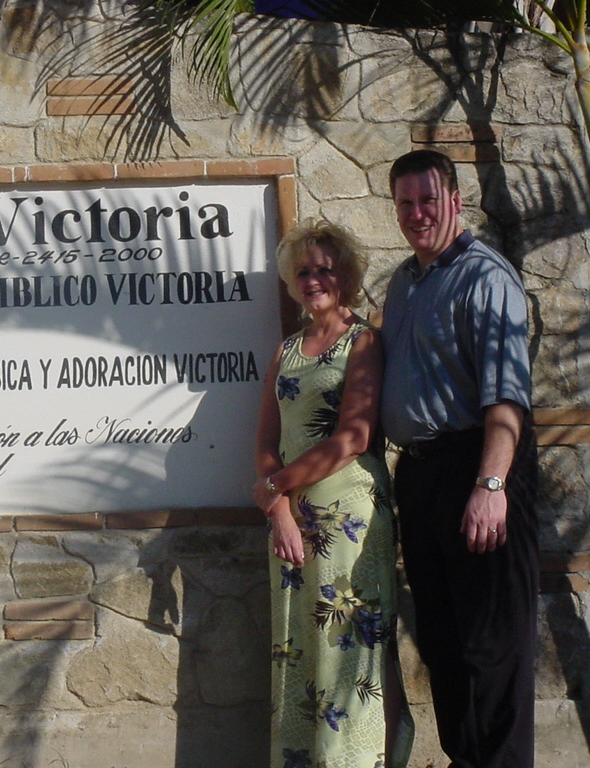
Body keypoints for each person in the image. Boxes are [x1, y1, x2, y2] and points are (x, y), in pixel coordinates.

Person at [380, 149, 538, 768]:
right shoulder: (404, 283)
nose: (417, 214)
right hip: (421, 476)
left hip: (480, 467)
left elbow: (507, 395)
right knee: (443, 642)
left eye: (428, 200)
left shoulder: (485, 277)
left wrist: (491, 483)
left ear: (455, 200)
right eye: (405, 203)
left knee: (492, 645)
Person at [254, 219, 411, 768]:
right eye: (304, 271)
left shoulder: (362, 340)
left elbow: (354, 437)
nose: (314, 279)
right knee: (300, 648)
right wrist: (279, 513)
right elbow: (266, 442)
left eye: (324, 269)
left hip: (351, 520)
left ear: (344, 275)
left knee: (353, 653)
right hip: (293, 530)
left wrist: (275, 485)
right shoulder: (287, 350)